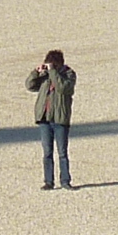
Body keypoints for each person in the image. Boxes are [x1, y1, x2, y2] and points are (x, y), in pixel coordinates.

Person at [27, 50, 77, 189]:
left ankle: (65, 181)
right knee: (47, 153)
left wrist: (53, 72)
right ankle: (48, 182)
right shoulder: (46, 76)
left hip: (60, 119)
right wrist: (36, 73)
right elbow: (30, 86)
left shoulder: (69, 75)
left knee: (62, 152)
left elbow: (63, 88)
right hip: (45, 118)